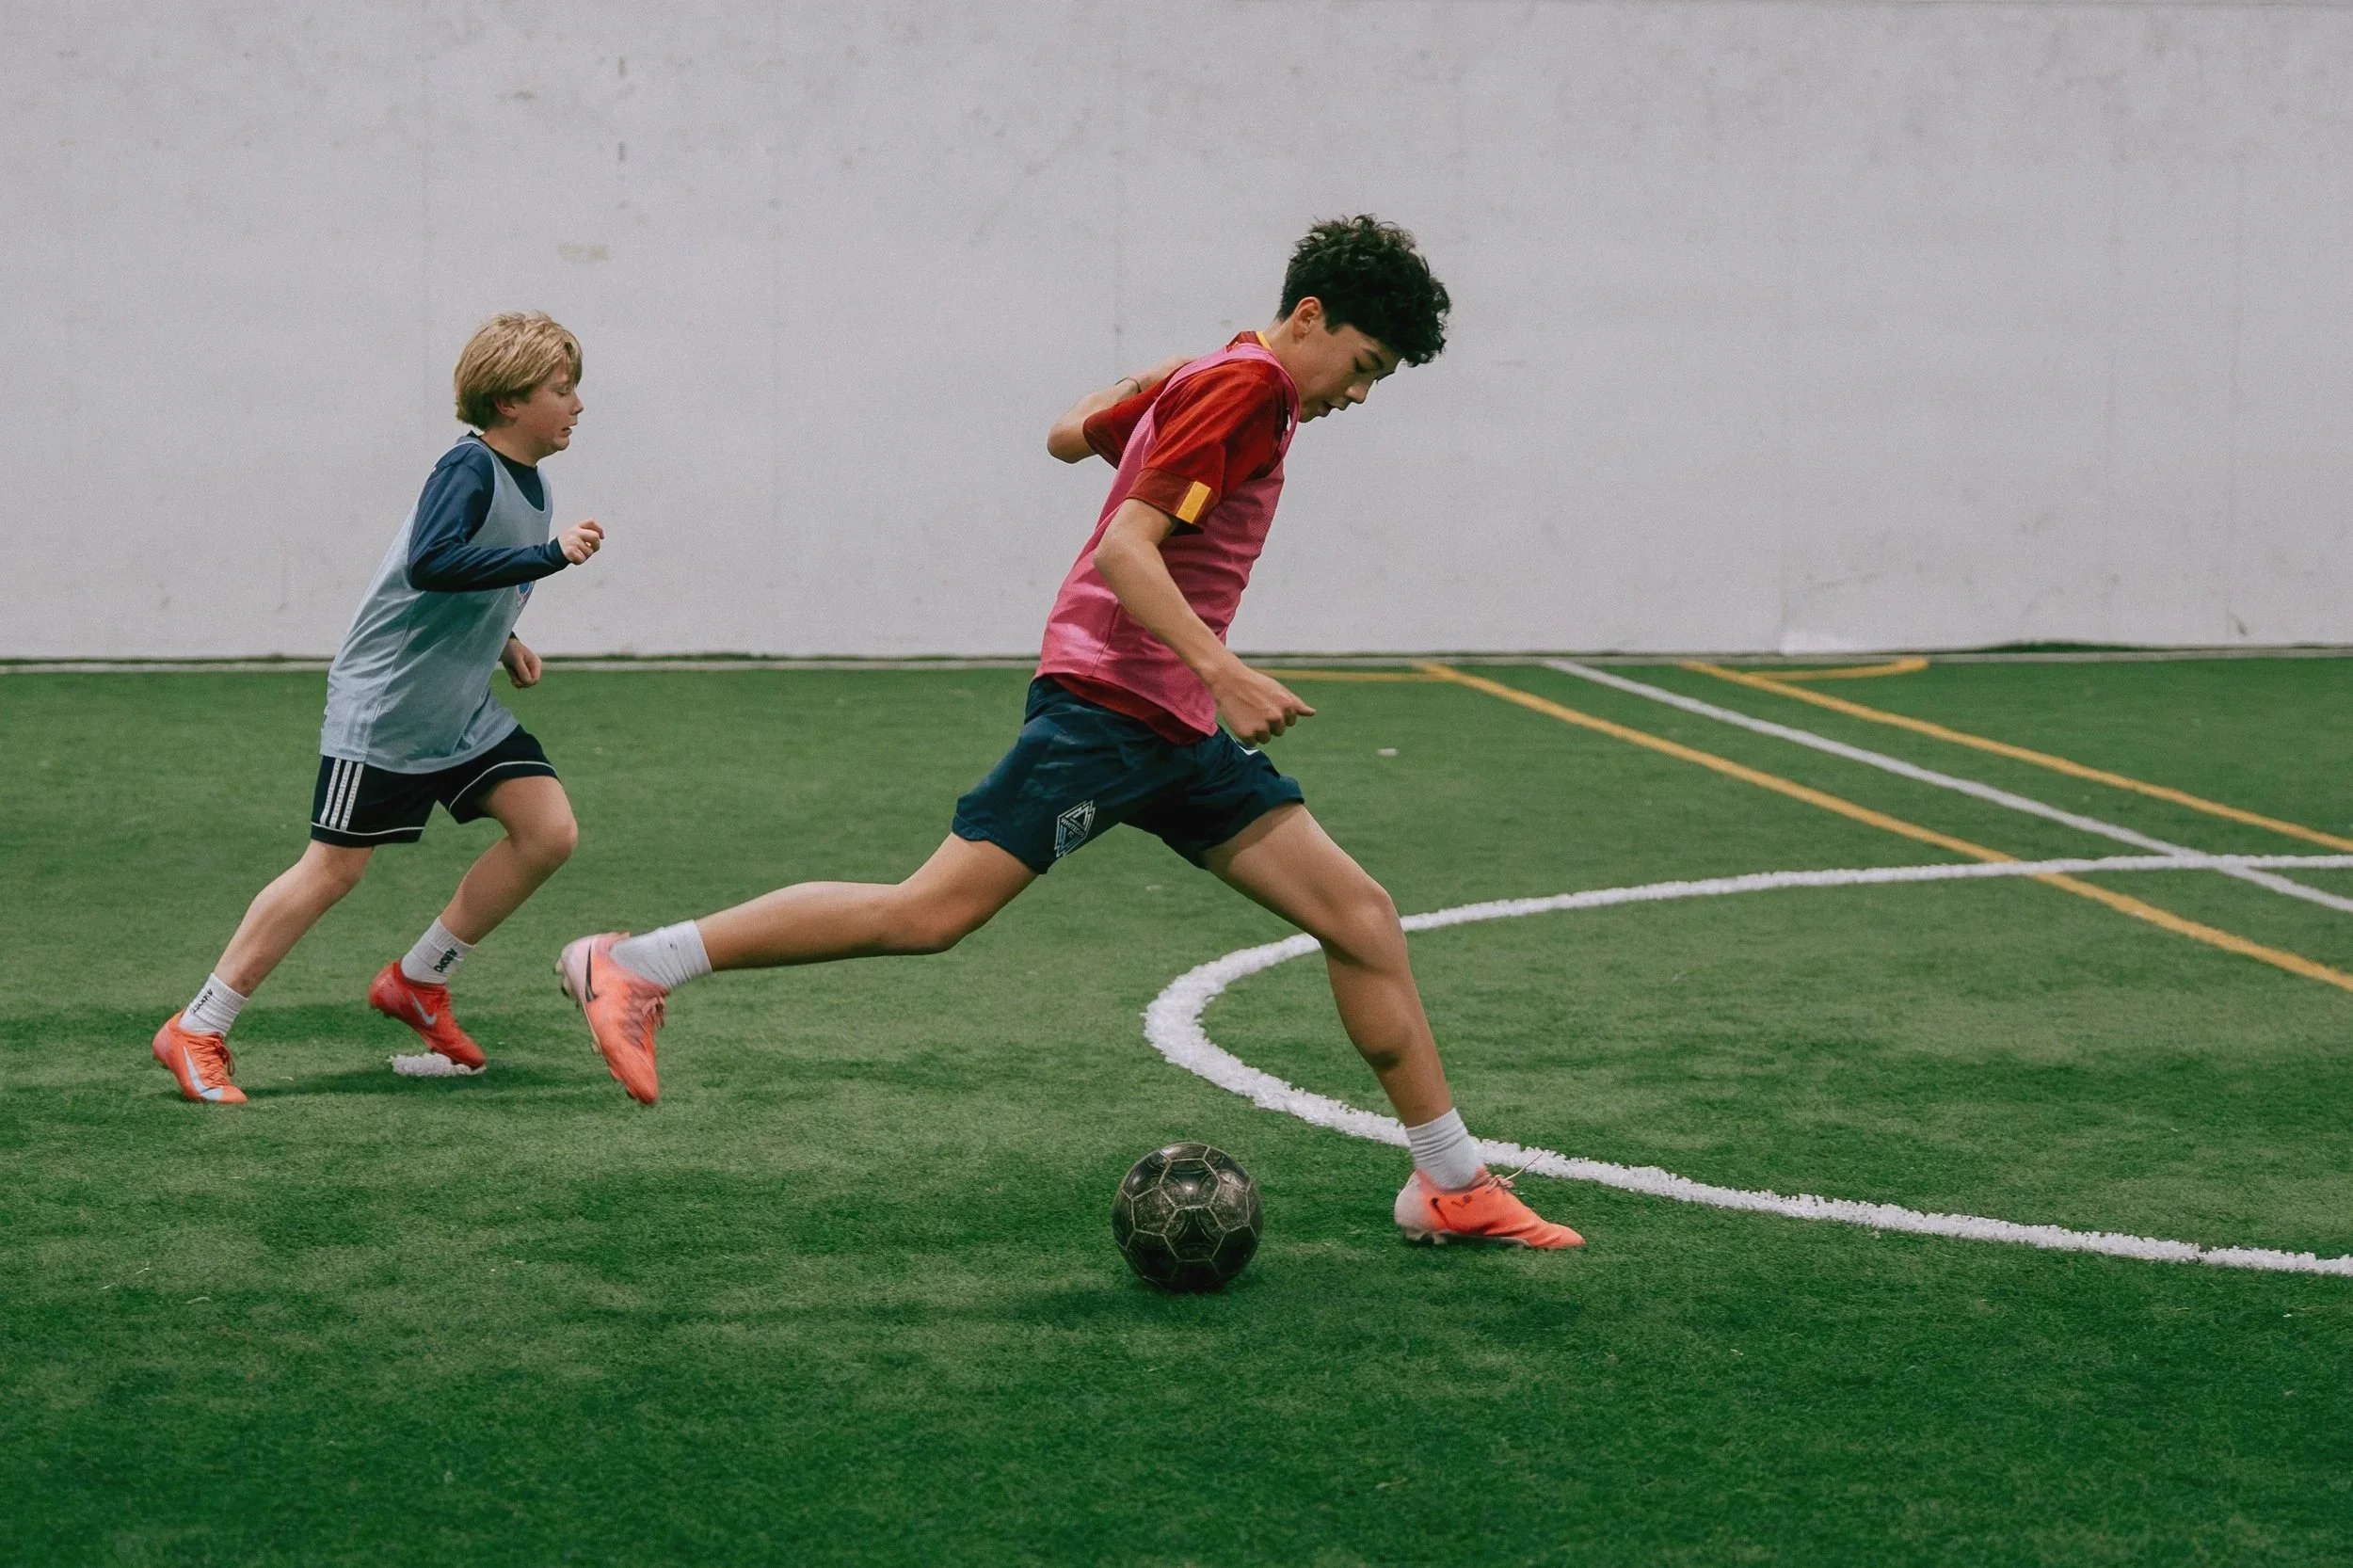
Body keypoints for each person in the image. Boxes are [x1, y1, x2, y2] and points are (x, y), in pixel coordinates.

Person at [560, 219, 1581, 1248]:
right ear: (1310, 317)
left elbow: (1063, 437)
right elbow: (1127, 551)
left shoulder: (1218, 373)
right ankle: (638, 962)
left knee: (1360, 918)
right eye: (1361, 366)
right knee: (928, 914)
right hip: (1111, 708)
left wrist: (1148, 385)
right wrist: (1223, 670)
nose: (1357, 395)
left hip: (1171, 726)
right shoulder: (1246, 389)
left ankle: (1450, 1182)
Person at [152, 312, 605, 1104]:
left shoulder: (530, 478)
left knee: (547, 832)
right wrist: (548, 555)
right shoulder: (466, 468)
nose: (577, 404)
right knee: (333, 869)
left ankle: (418, 980)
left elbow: (464, 573)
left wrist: (504, 640)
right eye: (560, 390)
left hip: (459, 707)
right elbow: (431, 562)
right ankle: (197, 1025)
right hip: (391, 707)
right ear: (508, 402)